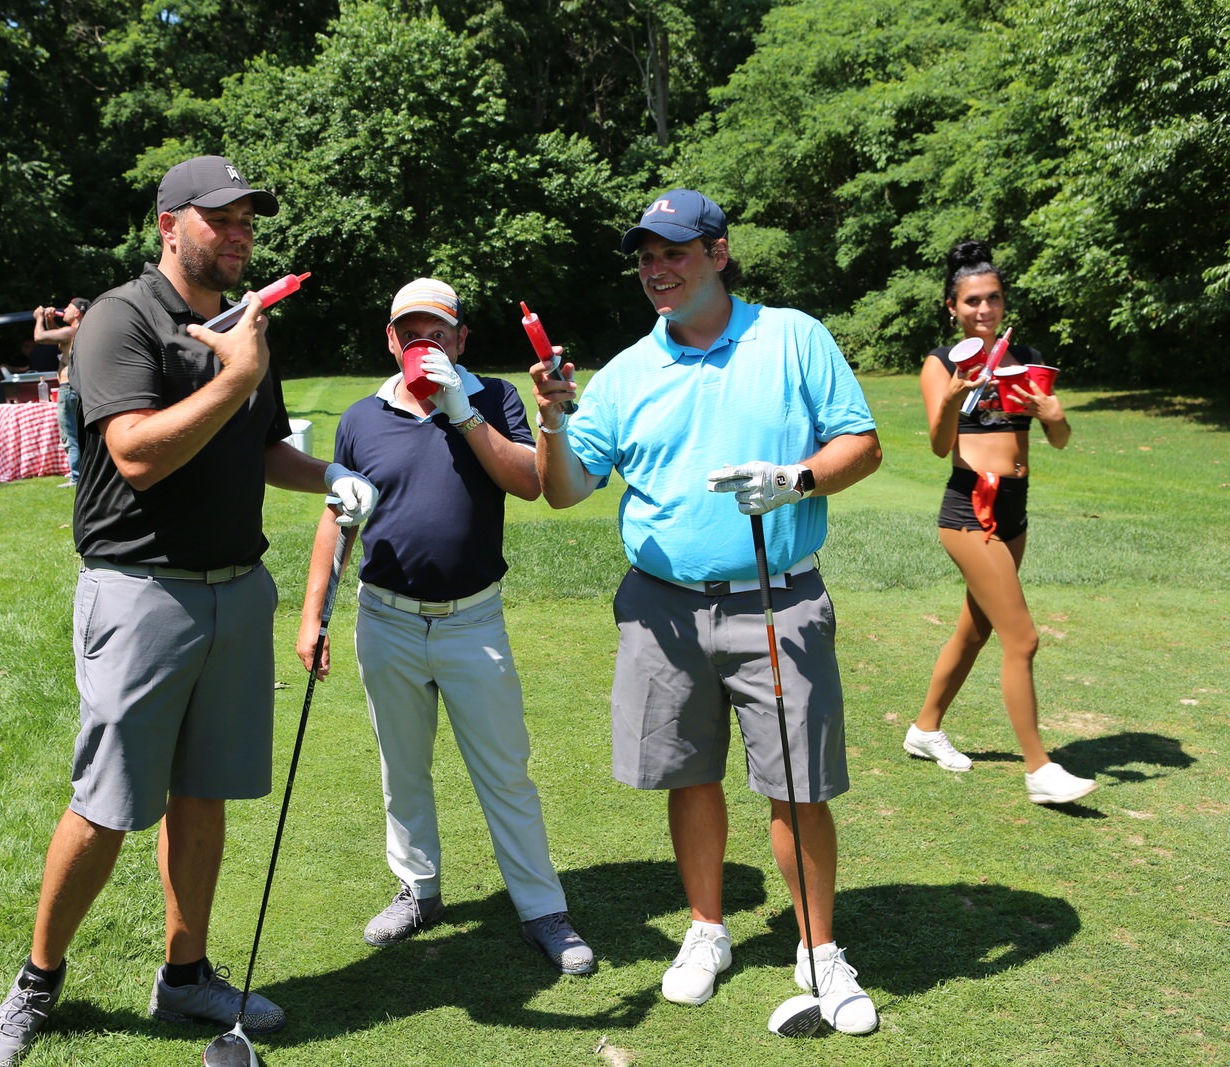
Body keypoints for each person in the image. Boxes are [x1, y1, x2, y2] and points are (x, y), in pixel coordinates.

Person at [0, 155, 379, 1066]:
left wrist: (333, 474)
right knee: (107, 802)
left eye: (248, 220)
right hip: (141, 590)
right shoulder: (122, 318)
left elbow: (264, 446)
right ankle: (38, 979)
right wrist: (234, 374)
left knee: (205, 792)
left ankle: (186, 973)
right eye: (220, 218)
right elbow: (136, 454)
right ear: (169, 224)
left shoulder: (243, 324)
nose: (239, 234)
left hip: (238, 587)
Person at [529, 189, 883, 1034]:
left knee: (798, 784)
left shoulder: (792, 337)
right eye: (646, 257)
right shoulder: (625, 373)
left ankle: (818, 948)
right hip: (663, 610)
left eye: (674, 252)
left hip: (778, 598)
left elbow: (862, 444)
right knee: (689, 775)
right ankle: (707, 929)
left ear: (719, 253)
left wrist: (795, 479)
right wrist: (551, 420)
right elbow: (565, 488)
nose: (657, 269)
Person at [296, 278, 595, 977]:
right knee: (402, 767)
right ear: (390, 340)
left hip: (472, 619)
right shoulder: (362, 417)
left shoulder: (495, 398)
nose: (422, 344)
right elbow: (338, 517)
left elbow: (528, 481)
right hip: (386, 617)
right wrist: (313, 614)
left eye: (437, 332)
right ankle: (418, 890)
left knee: (505, 770)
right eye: (410, 333)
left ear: (460, 339)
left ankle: (542, 908)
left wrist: (461, 410)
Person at [904, 240, 1095, 805]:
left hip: (1014, 510)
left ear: (1003, 302)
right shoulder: (942, 364)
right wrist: (951, 400)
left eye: (992, 298)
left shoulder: (1026, 359)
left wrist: (1056, 416)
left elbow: (1057, 440)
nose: (983, 309)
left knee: (976, 629)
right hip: (969, 511)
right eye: (972, 301)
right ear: (952, 308)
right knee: (1023, 637)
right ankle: (1039, 769)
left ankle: (925, 729)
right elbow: (940, 445)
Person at [33, 297, 91, 488]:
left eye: (68, 308)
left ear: (77, 313)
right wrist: (51, 321)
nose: (64, 310)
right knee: (80, 432)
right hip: (79, 388)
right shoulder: (82, 331)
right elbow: (59, 338)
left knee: (70, 434)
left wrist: (39, 318)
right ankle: (84, 474)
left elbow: (40, 337)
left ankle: (76, 477)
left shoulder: (72, 331)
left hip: (68, 388)